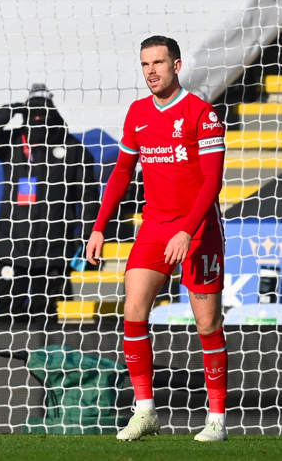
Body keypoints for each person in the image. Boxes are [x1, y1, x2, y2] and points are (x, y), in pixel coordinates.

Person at [86, 36, 227, 442]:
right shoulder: (137, 113)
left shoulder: (203, 114)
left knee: (207, 323)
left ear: (176, 66)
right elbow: (121, 173)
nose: (151, 71)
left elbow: (212, 183)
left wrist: (188, 230)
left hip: (198, 229)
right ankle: (145, 410)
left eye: (158, 63)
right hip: (155, 225)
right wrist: (99, 226)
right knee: (133, 310)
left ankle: (216, 419)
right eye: (145, 63)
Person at [0, 84, 99, 328]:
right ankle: (5, 363)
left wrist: (86, 237)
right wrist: (11, 110)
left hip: (54, 251)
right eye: (33, 110)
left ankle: (44, 361)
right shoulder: (13, 142)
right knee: (8, 309)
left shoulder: (74, 149)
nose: (39, 115)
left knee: (46, 313)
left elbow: (89, 198)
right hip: (11, 247)